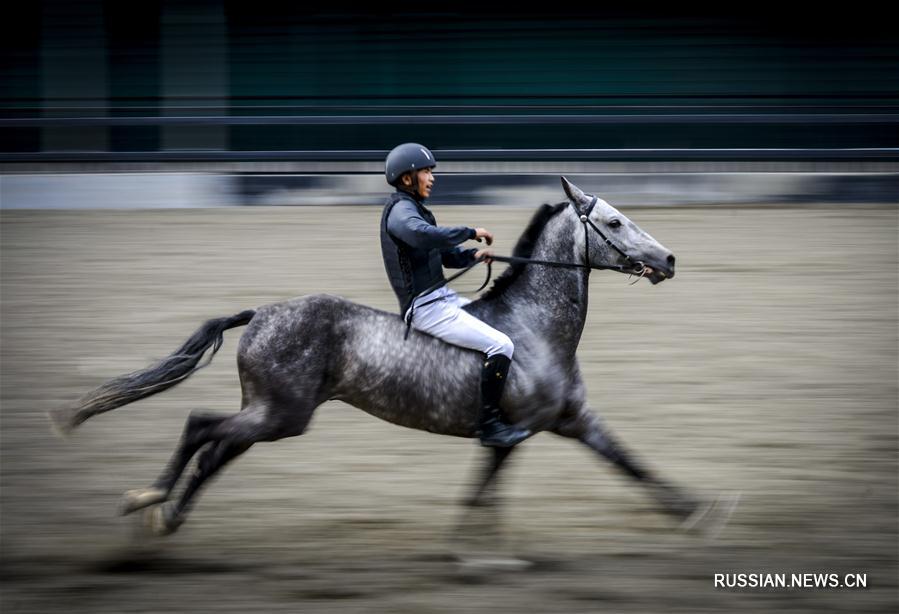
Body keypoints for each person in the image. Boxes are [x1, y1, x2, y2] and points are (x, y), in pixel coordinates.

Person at [380, 143, 531, 448]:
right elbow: (422, 235)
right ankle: (489, 425)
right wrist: (469, 230)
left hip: (442, 298)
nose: (432, 178)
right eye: (426, 171)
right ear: (407, 178)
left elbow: (444, 255)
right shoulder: (400, 212)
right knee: (500, 344)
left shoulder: (415, 210)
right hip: (425, 308)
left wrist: (474, 255)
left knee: (501, 321)